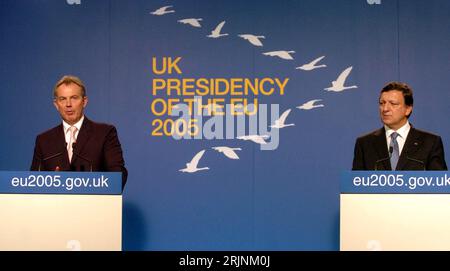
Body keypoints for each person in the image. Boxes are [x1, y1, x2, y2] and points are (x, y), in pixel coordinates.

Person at [30, 75, 128, 188]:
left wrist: (92, 184)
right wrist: (52, 183)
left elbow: (118, 176)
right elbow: (33, 182)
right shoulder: (44, 140)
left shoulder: (104, 134)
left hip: (94, 203)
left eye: (74, 98)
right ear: (56, 105)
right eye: (62, 99)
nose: (68, 104)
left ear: (84, 101)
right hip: (56, 204)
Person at [352, 81, 447, 170]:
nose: (385, 109)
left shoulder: (430, 142)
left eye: (393, 104)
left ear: (408, 109)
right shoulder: (364, 144)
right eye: (382, 103)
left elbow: (439, 184)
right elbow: (355, 184)